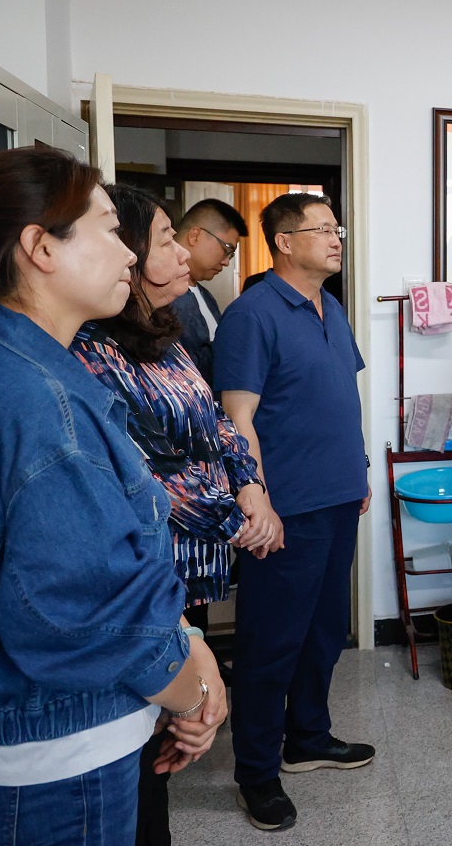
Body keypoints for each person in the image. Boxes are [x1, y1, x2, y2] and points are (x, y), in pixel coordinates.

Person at [0, 148, 227, 846]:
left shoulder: (27, 369)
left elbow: (101, 568)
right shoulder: (34, 404)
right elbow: (84, 610)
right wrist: (192, 684)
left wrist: (188, 644)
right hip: (59, 758)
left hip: (61, 737)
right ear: (41, 248)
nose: (129, 254)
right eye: (109, 229)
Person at [70, 185, 284, 846]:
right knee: (141, 757)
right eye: (166, 239)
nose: (182, 254)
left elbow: (217, 423)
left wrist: (250, 485)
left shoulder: (165, 338)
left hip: (183, 580)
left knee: (160, 743)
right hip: (145, 575)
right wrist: (237, 518)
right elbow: (144, 471)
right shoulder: (90, 351)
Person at [215, 193, 373, 832]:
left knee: (325, 630)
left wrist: (359, 469)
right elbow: (238, 419)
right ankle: (256, 771)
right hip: (286, 509)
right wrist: (257, 499)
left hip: (338, 498)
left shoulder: (330, 307)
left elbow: (340, 398)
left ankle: (307, 736)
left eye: (338, 229)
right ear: (283, 241)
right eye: (323, 230)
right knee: (270, 643)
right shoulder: (252, 315)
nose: (336, 239)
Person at [169, 197, 249, 386]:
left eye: (231, 255)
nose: (226, 262)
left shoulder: (207, 297)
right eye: (226, 249)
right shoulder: (162, 293)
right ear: (195, 235)